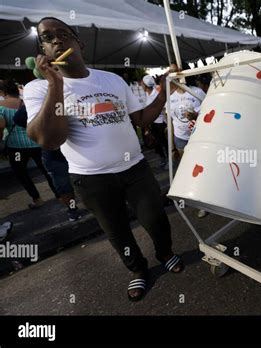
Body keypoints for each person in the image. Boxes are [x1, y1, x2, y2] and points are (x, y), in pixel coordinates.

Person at [24, 17, 183, 302]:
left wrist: (164, 91)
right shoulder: (39, 89)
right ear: (42, 49)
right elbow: (49, 140)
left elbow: (142, 120)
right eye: (48, 37)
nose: (57, 40)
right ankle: (137, 270)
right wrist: (55, 85)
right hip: (90, 178)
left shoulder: (112, 79)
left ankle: (165, 252)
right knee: (117, 231)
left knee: (156, 218)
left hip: (135, 169)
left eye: (64, 34)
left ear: (79, 42)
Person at [13, 103, 82, 222]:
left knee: (66, 182)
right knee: (65, 182)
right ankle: (73, 210)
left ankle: (74, 210)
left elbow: (19, 118)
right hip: (61, 150)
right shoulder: (40, 96)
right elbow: (19, 118)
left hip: (64, 149)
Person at [0, 79, 58, 209]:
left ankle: (37, 199)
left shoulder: (1, 106)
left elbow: (2, 125)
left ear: (3, 92)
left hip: (17, 148)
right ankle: (59, 194)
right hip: (36, 142)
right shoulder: (25, 103)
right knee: (46, 170)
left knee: (22, 173)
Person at [168, 64, 209, 218]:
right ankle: (194, 198)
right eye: (170, 72)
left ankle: (204, 202)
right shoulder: (170, 97)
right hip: (180, 140)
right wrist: (172, 146)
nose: (173, 74)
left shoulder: (197, 92)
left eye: (175, 71)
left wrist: (196, 116)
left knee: (201, 169)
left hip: (198, 137)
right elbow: (171, 123)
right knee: (187, 171)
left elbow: (210, 111)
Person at [141, 75, 168, 168]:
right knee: (157, 143)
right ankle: (163, 158)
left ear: (145, 85)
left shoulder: (156, 94)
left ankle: (168, 160)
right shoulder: (147, 94)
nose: (141, 85)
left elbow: (163, 108)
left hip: (160, 123)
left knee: (164, 142)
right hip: (153, 123)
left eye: (142, 83)